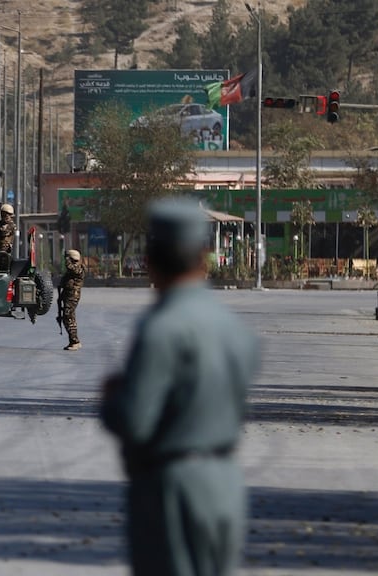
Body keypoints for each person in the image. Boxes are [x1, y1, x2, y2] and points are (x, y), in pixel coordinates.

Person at [100, 199, 259, 576]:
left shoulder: (161, 328)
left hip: (172, 490)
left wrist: (112, 399)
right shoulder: (234, 328)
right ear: (204, 257)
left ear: (151, 262)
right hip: (225, 485)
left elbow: (136, 421)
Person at [58, 249, 85, 351]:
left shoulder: (79, 269)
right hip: (68, 295)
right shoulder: (73, 269)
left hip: (73, 296)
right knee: (67, 317)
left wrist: (67, 259)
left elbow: (71, 267)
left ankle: (75, 341)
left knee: (69, 317)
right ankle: (73, 341)